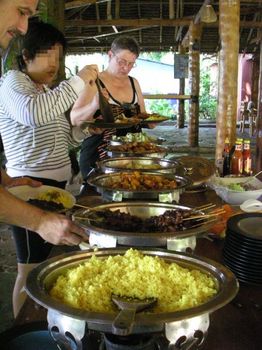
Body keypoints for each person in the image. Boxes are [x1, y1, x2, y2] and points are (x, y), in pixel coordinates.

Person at [0, 19, 99, 316]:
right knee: (29, 269)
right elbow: (33, 115)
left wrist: (83, 132)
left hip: (55, 189)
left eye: (58, 56)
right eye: (47, 55)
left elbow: (63, 136)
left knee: (45, 265)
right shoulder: (14, 82)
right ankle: (20, 332)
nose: (55, 64)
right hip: (29, 190)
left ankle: (38, 325)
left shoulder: (44, 91)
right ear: (27, 56)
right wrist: (79, 80)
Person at [70, 35, 148, 180]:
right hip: (98, 158)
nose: (126, 68)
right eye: (122, 62)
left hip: (132, 156)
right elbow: (74, 119)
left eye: (131, 63)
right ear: (110, 55)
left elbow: (142, 115)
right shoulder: (94, 82)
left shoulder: (134, 82)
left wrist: (150, 122)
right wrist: (94, 105)